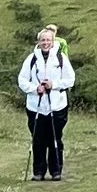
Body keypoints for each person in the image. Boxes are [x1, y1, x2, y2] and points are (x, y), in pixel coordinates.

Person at [17, 23, 76, 182]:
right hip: (36, 107)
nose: (45, 43)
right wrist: (35, 88)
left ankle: (56, 171)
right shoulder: (31, 59)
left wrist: (53, 85)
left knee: (55, 138)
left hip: (57, 106)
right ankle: (38, 172)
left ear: (53, 40)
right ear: (38, 42)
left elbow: (70, 80)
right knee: (37, 139)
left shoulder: (60, 58)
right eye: (42, 40)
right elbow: (22, 80)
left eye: (48, 40)